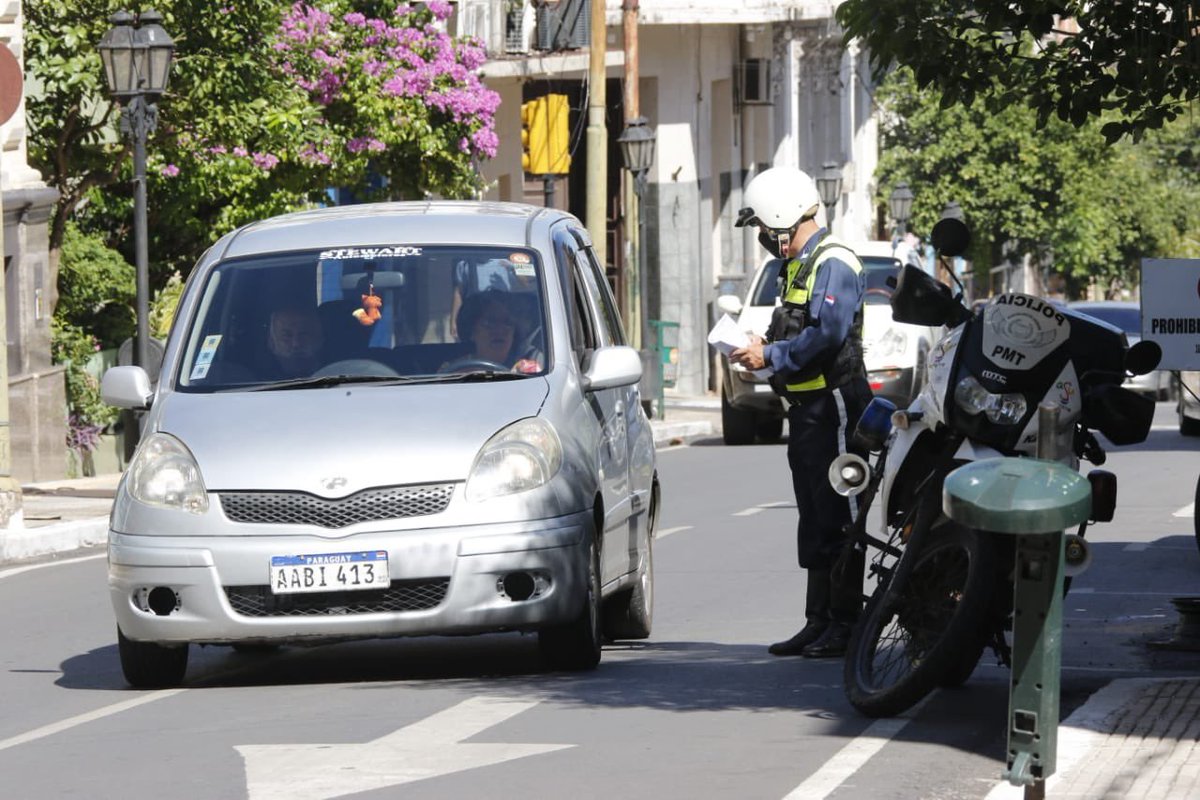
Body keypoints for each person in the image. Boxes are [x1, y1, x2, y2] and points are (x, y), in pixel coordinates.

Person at [729, 165, 873, 659]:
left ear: (783, 216)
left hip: (835, 407)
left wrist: (770, 355)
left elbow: (828, 334)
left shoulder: (834, 262)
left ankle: (847, 624)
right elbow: (799, 328)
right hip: (807, 410)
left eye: (762, 226)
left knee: (840, 515)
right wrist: (762, 345)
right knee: (814, 517)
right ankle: (818, 621)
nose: (762, 236)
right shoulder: (800, 265)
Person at [445, 290, 540, 373]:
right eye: (489, 323)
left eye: (507, 323)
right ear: (472, 331)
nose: (500, 330)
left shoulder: (528, 370)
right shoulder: (452, 371)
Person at [265, 305, 324, 377]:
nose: (296, 344)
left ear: (319, 339)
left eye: (303, 334)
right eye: (287, 336)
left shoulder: (335, 372)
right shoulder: (257, 381)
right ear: (271, 342)